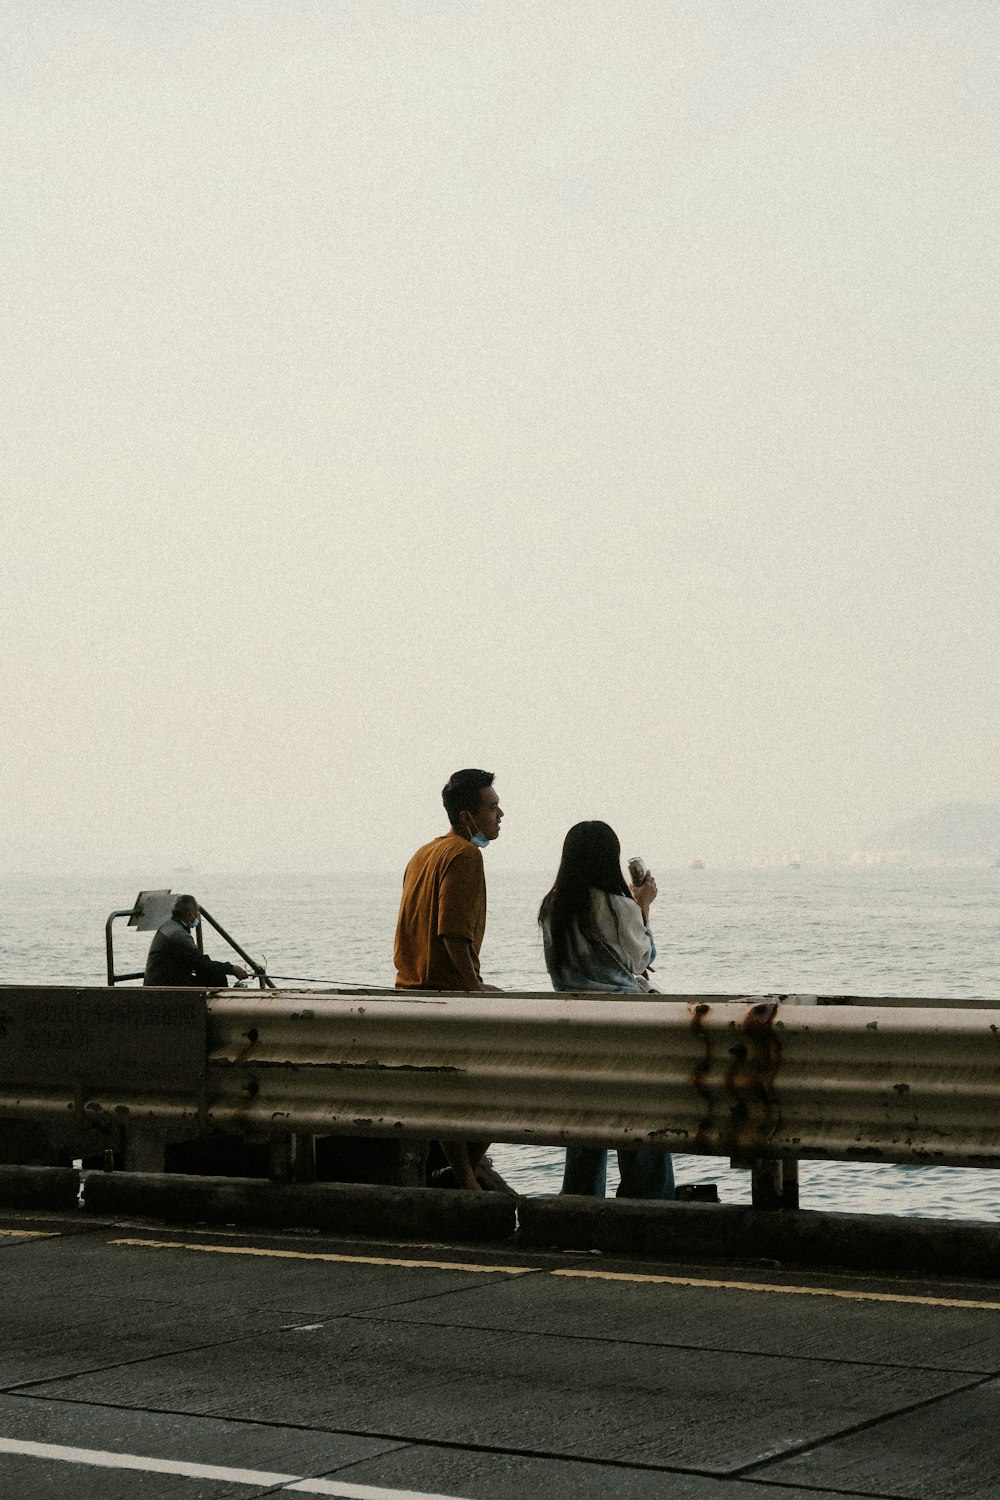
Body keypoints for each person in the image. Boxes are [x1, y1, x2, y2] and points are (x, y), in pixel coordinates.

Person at [538, 821, 674, 1200]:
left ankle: (580, 1205)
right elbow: (642, 956)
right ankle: (649, 1204)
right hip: (626, 1029)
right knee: (641, 1124)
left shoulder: (553, 908)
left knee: (585, 1129)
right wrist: (643, 904)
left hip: (576, 1028)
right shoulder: (619, 906)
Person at [394, 769, 504, 1190]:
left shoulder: (424, 853)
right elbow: (452, 932)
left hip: (411, 990)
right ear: (467, 816)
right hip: (445, 995)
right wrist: (475, 988)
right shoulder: (464, 855)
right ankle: (466, 1179)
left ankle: (461, 1175)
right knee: (494, 1088)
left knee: (449, 1092)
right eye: (491, 807)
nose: (499, 814)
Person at [143, 895, 249, 987]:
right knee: (217, 978)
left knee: (212, 974)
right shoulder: (179, 935)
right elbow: (201, 963)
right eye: (196, 912)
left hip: (158, 980)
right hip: (166, 986)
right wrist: (231, 969)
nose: (198, 915)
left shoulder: (170, 926)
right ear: (190, 914)